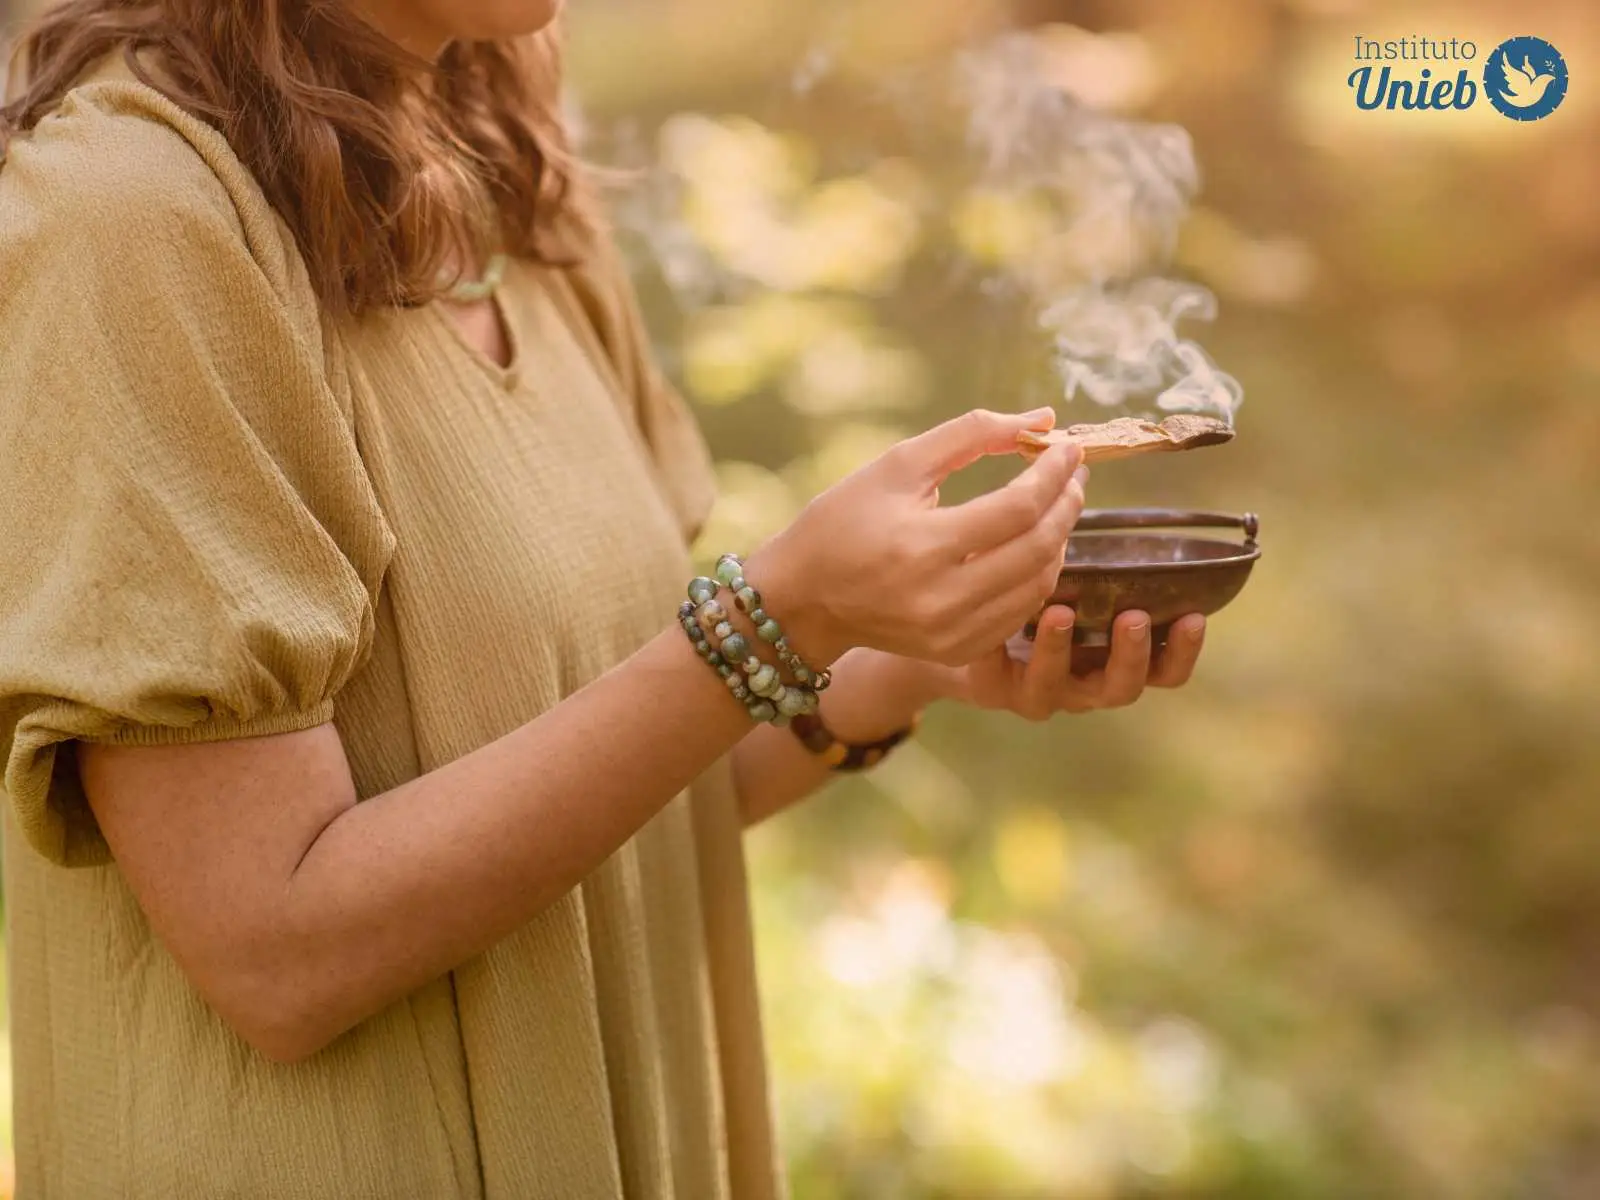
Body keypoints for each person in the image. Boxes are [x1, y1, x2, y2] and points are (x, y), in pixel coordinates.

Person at [0, 1, 1208, 1195]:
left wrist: (905, 656)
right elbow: (275, 956)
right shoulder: (134, 223)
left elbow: (639, 785)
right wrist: (780, 616)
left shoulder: (508, 177)